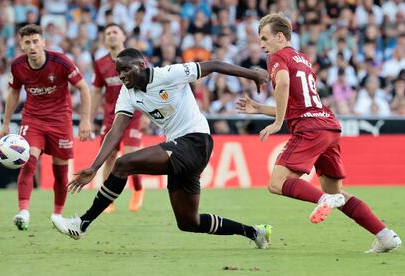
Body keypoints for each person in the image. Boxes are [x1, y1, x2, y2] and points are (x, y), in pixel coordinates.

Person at [52, 48, 272, 249]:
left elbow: (213, 64)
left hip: (196, 141)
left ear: (142, 64)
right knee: (188, 222)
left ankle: (82, 223)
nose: (121, 75)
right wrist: (94, 167)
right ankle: (255, 232)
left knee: (122, 165)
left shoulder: (168, 74)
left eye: (126, 69)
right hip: (180, 149)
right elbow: (116, 131)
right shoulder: (128, 93)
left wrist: (253, 74)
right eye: (119, 71)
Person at [236, 13, 401, 253]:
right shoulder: (303, 59)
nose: (262, 45)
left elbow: (282, 84)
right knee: (336, 192)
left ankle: (324, 200)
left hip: (309, 129)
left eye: (264, 38)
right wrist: (260, 108)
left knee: (277, 183)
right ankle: (385, 236)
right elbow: (299, 104)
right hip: (328, 126)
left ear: (280, 37)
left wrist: (277, 123)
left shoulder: (276, 57)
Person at [0, 24, 91, 231]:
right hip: (33, 119)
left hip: (60, 120)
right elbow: (14, 92)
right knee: (28, 162)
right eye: (27, 42)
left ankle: (57, 215)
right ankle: (23, 211)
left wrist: (85, 120)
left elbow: (84, 88)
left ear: (43, 42)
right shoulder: (18, 65)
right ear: (21, 45)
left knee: (60, 173)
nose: (32, 46)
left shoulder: (60, 61)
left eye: (35, 41)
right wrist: (6, 123)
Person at [91, 23, 145, 213]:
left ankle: (138, 190)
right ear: (105, 39)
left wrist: (147, 114)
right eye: (108, 33)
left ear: (123, 35)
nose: (111, 35)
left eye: (115, 32)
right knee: (109, 156)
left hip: (134, 115)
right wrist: (89, 120)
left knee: (131, 156)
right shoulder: (100, 63)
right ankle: (108, 200)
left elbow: (147, 84)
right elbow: (97, 92)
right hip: (110, 118)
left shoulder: (135, 58)